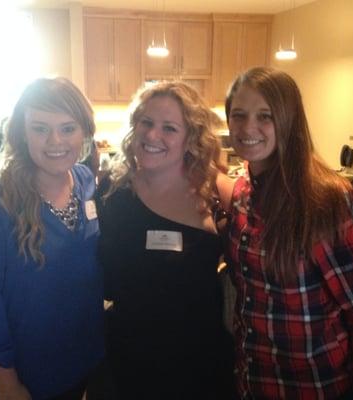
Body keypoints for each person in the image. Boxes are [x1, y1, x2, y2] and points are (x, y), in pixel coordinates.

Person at [224, 67, 353, 400]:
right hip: (252, 382)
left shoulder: (327, 200)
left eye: (265, 116)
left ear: (289, 120)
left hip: (315, 387)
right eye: (238, 115)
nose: (247, 128)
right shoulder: (243, 191)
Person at [0, 78, 104, 400]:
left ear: (84, 132)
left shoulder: (84, 182)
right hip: (20, 376)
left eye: (68, 128)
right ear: (22, 133)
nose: (55, 141)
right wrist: (8, 386)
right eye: (40, 128)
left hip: (79, 362)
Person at [97, 81, 236, 399]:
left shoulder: (217, 191)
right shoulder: (110, 190)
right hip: (128, 355)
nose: (152, 136)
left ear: (191, 139)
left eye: (169, 128)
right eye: (146, 122)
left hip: (198, 359)